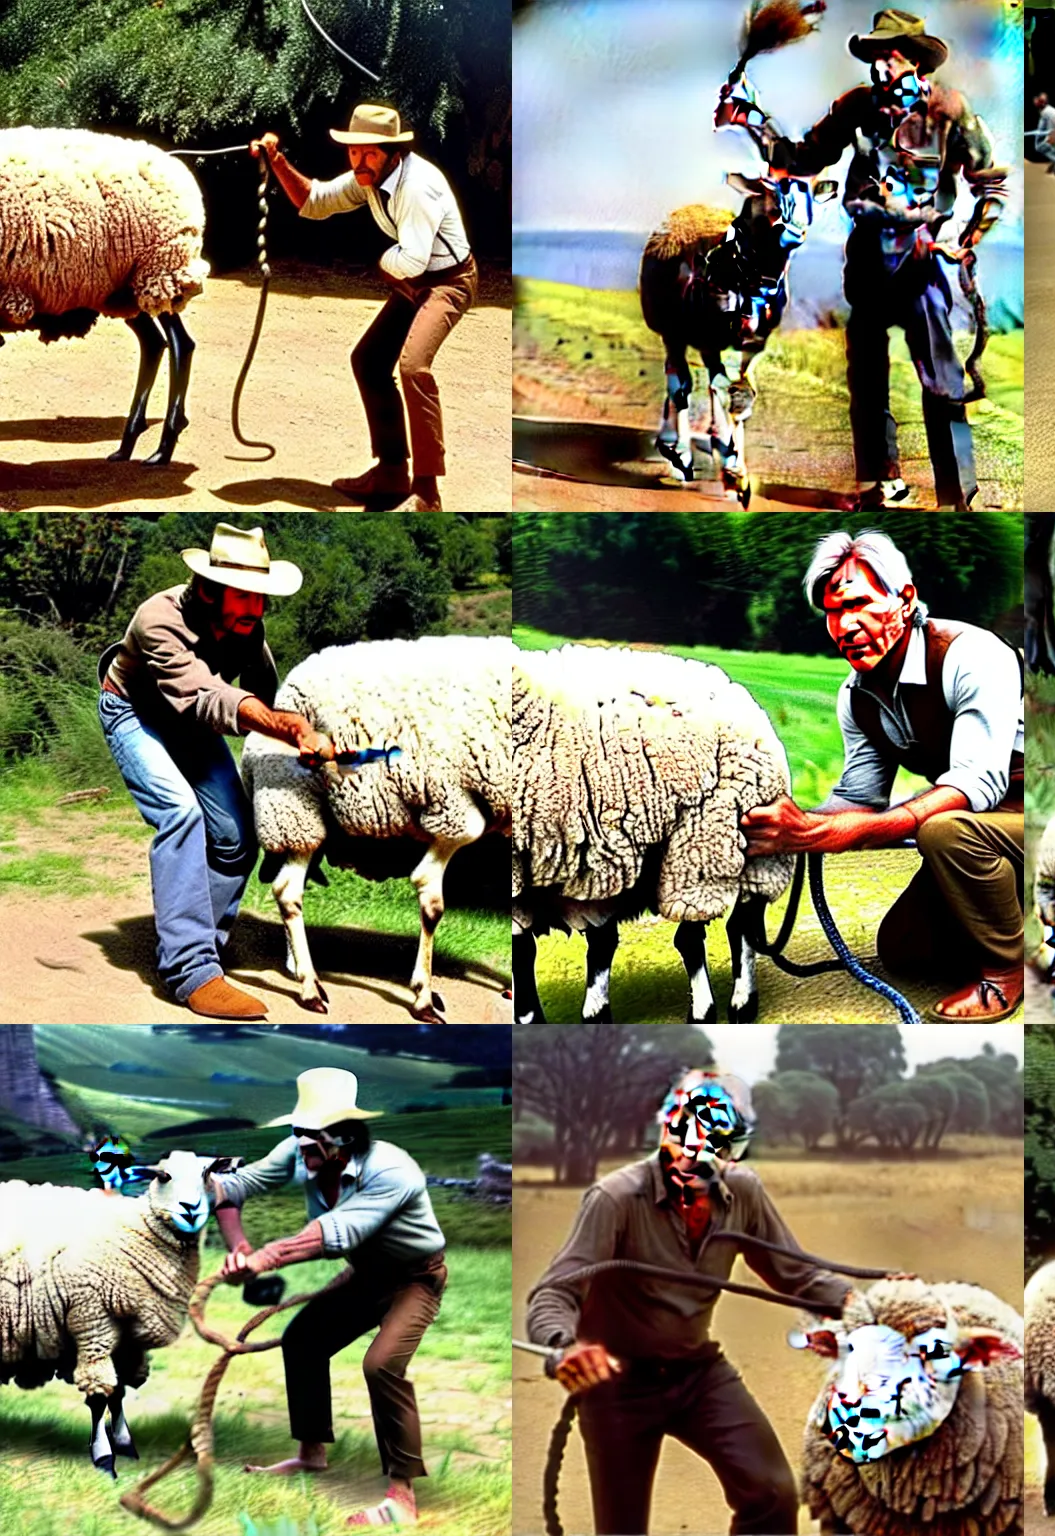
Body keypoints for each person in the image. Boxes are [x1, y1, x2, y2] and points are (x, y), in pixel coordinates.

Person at [524, 1069, 855, 1536]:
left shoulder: (743, 1192)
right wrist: (564, 1346)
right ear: (666, 1128)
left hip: (698, 1374)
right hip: (618, 1384)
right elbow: (555, 1291)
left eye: (717, 1144)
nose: (696, 1155)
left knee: (773, 1493)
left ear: (735, 1150)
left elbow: (796, 1272)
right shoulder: (615, 1198)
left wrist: (863, 1305)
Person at [741, 529, 1024, 1020]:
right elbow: (858, 798)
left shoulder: (973, 656)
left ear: (904, 599)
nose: (845, 625)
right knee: (904, 949)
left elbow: (978, 785)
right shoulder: (856, 696)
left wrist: (826, 833)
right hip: (988, 832)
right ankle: (1024, 909)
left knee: (943, 831)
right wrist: (784, 824)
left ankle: (1005, 973)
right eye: (832, 612)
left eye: (859, 604)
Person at [763, 9, 1010, 509]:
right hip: (867, 261)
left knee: (942, 382)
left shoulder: (949, 110)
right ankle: (882, 482)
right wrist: (753, 122)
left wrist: (968, 239)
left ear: (917, 63)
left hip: (922, 265)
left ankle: (956, 497)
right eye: (873, 57)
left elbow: (992, 183)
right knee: (867, 380)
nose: (878, 67)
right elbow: (806, 155)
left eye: (888, 56)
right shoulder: (857, 106)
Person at [97, 524, 332, 1021]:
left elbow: (266, 699)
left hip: (189, 724)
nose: (255, 608)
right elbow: (206, 694)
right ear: (207, 589)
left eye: (261, 598)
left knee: (236, 835)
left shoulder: (249, 628)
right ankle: (192, 973)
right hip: (134, 714)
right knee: (181, 816)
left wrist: (304, 743)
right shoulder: (157, 619)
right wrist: (281, 724)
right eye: (244, 596)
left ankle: (204, 942)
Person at [213, 1068, 448, 1530]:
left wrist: (262, 1259)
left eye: (311, 1135)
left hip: (415, 1280)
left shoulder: (391, 1169)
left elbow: (334, 1234)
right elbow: (230, 1189)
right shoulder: (298, 1151)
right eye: (298, 1132)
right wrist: (237, 1247)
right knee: (303, 1339)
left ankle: (402, 1498)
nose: (300, 1144)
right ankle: (310, 1455)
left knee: (381, 1365)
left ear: (343, 1138)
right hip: (364, 1276)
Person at [250, 104, 477, 512]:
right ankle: (391, 473)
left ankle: (426, 492)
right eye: (354, 152)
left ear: (392, 152)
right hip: (415, 280)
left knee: (413, 367)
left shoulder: (417, 186)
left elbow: (412, 262)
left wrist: (381, 265)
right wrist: (277, 161)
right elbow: (315, 201)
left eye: (369, 153)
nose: (359, 160)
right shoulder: (368, 178)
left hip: (448, 281)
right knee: (370, 361)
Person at [1030, 90, 1055, 177]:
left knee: (1040, 145)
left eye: (1037, 100)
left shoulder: (1048, 112)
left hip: (1049, 130)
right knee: (1040, 146)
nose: (1035, 102)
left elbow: (1053, 124)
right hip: (1048, 129)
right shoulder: (1046, 111)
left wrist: (1051, 135)